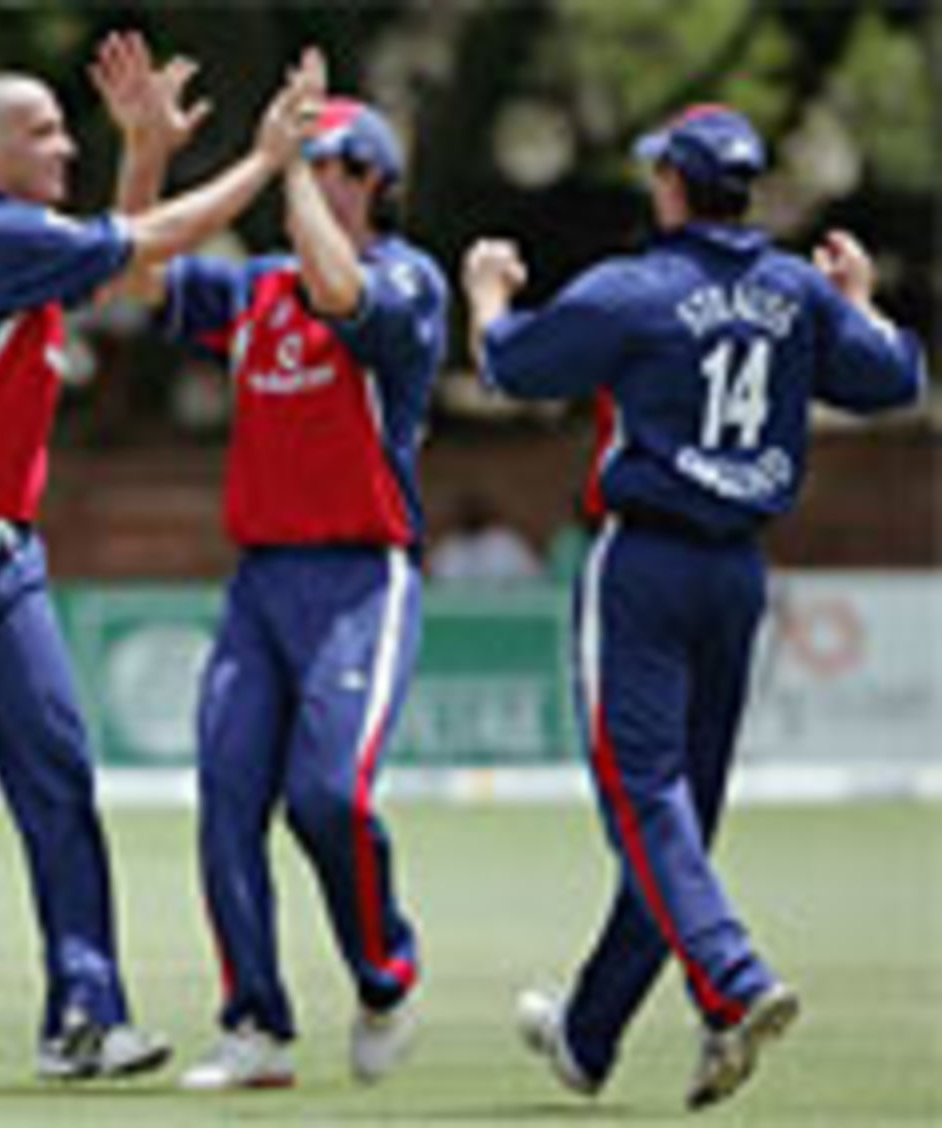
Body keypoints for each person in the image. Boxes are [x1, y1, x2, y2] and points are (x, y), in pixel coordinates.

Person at [0, 48, 320, 1093]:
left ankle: (84, 1014)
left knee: (57, 769)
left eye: (64, 128)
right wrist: (266, 159)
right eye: (45, 131)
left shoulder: (29, 243)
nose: (63, 146)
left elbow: (119, 275)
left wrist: (143, 148)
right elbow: (147, 242)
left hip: (3, 548)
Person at [461, 103, 924, 1110]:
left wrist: (488, 295)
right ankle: (587, 1038)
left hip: (644, 564)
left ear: (670, 185)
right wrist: (861, 300)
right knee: (676, 815)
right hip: (737, 572)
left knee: (642, 796)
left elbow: (507, 366)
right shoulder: (795, 291)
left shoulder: (634, 289)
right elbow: (892, 380)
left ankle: (730, 980)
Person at [96, 41, 448, 1089]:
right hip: (259, 583)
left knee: (326, 799)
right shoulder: (253, 290)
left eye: (333, 162)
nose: (314, 174)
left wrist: (280, 166)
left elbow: (338, 296)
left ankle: (382, 974)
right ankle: (254, 1026)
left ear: (370, 183)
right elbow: (136, 276)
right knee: (226, 800)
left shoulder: (404, 279)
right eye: (311, 160)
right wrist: (146, 154)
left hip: (358, 578)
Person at [428, 491, 542, 584]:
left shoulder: (506, 541)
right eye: (467, 510)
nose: (471, 513)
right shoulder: (450, 544)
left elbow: (534, 578)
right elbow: (435, 581)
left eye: (475, 509)